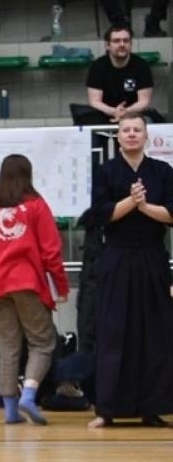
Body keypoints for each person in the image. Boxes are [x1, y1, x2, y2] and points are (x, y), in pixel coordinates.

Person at [0, 155, 69, 426]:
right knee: (43, 343)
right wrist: (61, 285)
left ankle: (10, 409)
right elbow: (51, 250)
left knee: (7, 347)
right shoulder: (36, 205)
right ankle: (30, 393)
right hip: (28, 284)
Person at [84, 115, 173, 427]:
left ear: (146, 136)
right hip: (117, 257)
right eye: (126, 130)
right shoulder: (106, 171)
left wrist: (145, 206)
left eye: (137, 130)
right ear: (117, 136)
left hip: (152, 258)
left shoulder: (162, 171)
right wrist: (131, 202)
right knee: (113, 331)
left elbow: (171, 214)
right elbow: (100, 215)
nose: (132, 134)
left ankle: (153, 407)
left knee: (155, 332)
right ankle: (107, 409)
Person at [72, 26, 165, 125]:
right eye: (116, 41)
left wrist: (126, 112)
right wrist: (114, 112)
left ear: (131, 44)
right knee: (85, 126)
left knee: (150, 123)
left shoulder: (142, 65)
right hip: (104, 113)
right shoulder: (97, 66)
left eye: (126, 41)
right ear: (107, 45)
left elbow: (144, 101)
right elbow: (94, 101)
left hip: (134, 114)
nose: (122, 44)